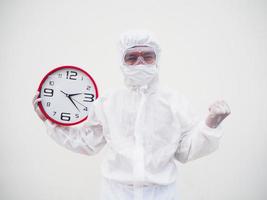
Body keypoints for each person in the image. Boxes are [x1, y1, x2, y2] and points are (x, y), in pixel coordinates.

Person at [32, 30, 231, 200]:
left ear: (157, 59)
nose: (140, 62)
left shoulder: (174, 101)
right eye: (132, 57)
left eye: (147, 56)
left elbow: (184, 151)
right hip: (115, 192)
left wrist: (209, 125)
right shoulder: (108, 102)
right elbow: (88, 143)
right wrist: (50, 122)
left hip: (162, 193)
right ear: (122, 61)